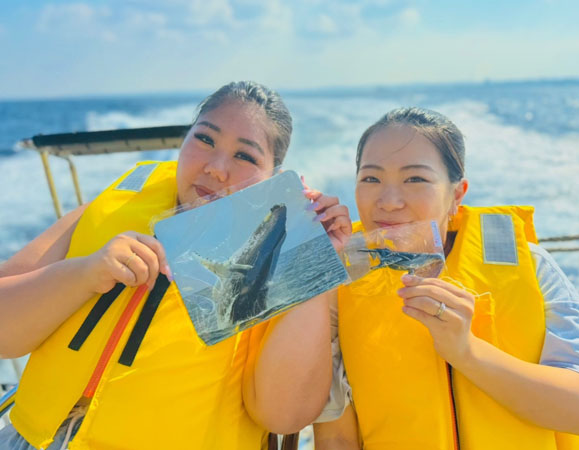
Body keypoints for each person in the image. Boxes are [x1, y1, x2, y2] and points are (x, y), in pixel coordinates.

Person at [0, 81, 351, 450]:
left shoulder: (279, 254)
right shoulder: (122, 201)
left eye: (245, 157)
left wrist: (314, 264)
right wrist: (85, 273)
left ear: (273, 178)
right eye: (204, 139)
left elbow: (284, 416)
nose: (216, 168)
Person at [312, 107, 579, 449]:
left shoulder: (531, 265)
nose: (388, 202)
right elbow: (336, 438)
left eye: (415, 179)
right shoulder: (337, 285)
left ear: (457, 194)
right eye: (371, 179)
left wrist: (467, 353)